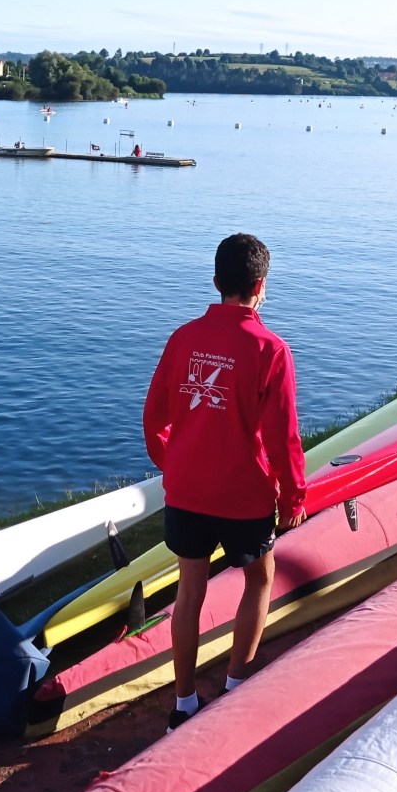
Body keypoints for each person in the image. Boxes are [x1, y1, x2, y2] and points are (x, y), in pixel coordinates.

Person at [143, 234, 306, 733]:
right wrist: (292, 496)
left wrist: (175, 466)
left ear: (216, 283)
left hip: (188, 491)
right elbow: (284, 437)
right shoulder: (270, 349)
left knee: (189, 591)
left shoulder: (183, 338)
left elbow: (155, 417)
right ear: (261, 286)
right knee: (259, 578)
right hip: (244, 497)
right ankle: (236, 690)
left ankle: (184, 704)